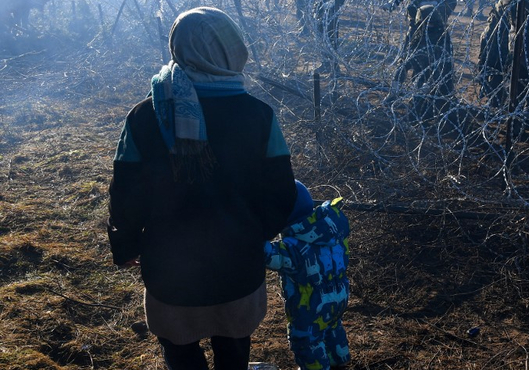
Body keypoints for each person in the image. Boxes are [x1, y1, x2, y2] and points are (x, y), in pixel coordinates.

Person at [107, 7, 296, 370]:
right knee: (235, 348)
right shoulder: (259, 115)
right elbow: (281, 193)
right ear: (232, 51)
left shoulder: (145, 115)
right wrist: (252, 232)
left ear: (179, 47)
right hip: (238, 266)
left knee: (180, 353)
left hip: (170, 271)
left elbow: (126, 193)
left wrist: (125, 244)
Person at [264, 181, 351, 370]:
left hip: (312, 304)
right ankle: (339, 359)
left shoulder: (294, 248)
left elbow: (266, 254)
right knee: (331, 327)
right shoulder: (331, 230)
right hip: (340, 294)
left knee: (306, 339)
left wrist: (252, 232)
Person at [394, 4, 455, 121]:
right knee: (417, 105)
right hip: (421, 73)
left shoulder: (442, 34)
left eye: (432, 23)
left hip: (439, 77)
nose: (429, 26)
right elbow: (405, 56)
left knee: (437, 105)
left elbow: (444, 64)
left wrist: (429, 85)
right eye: (427, 23)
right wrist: (396, 85)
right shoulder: (415, 32)